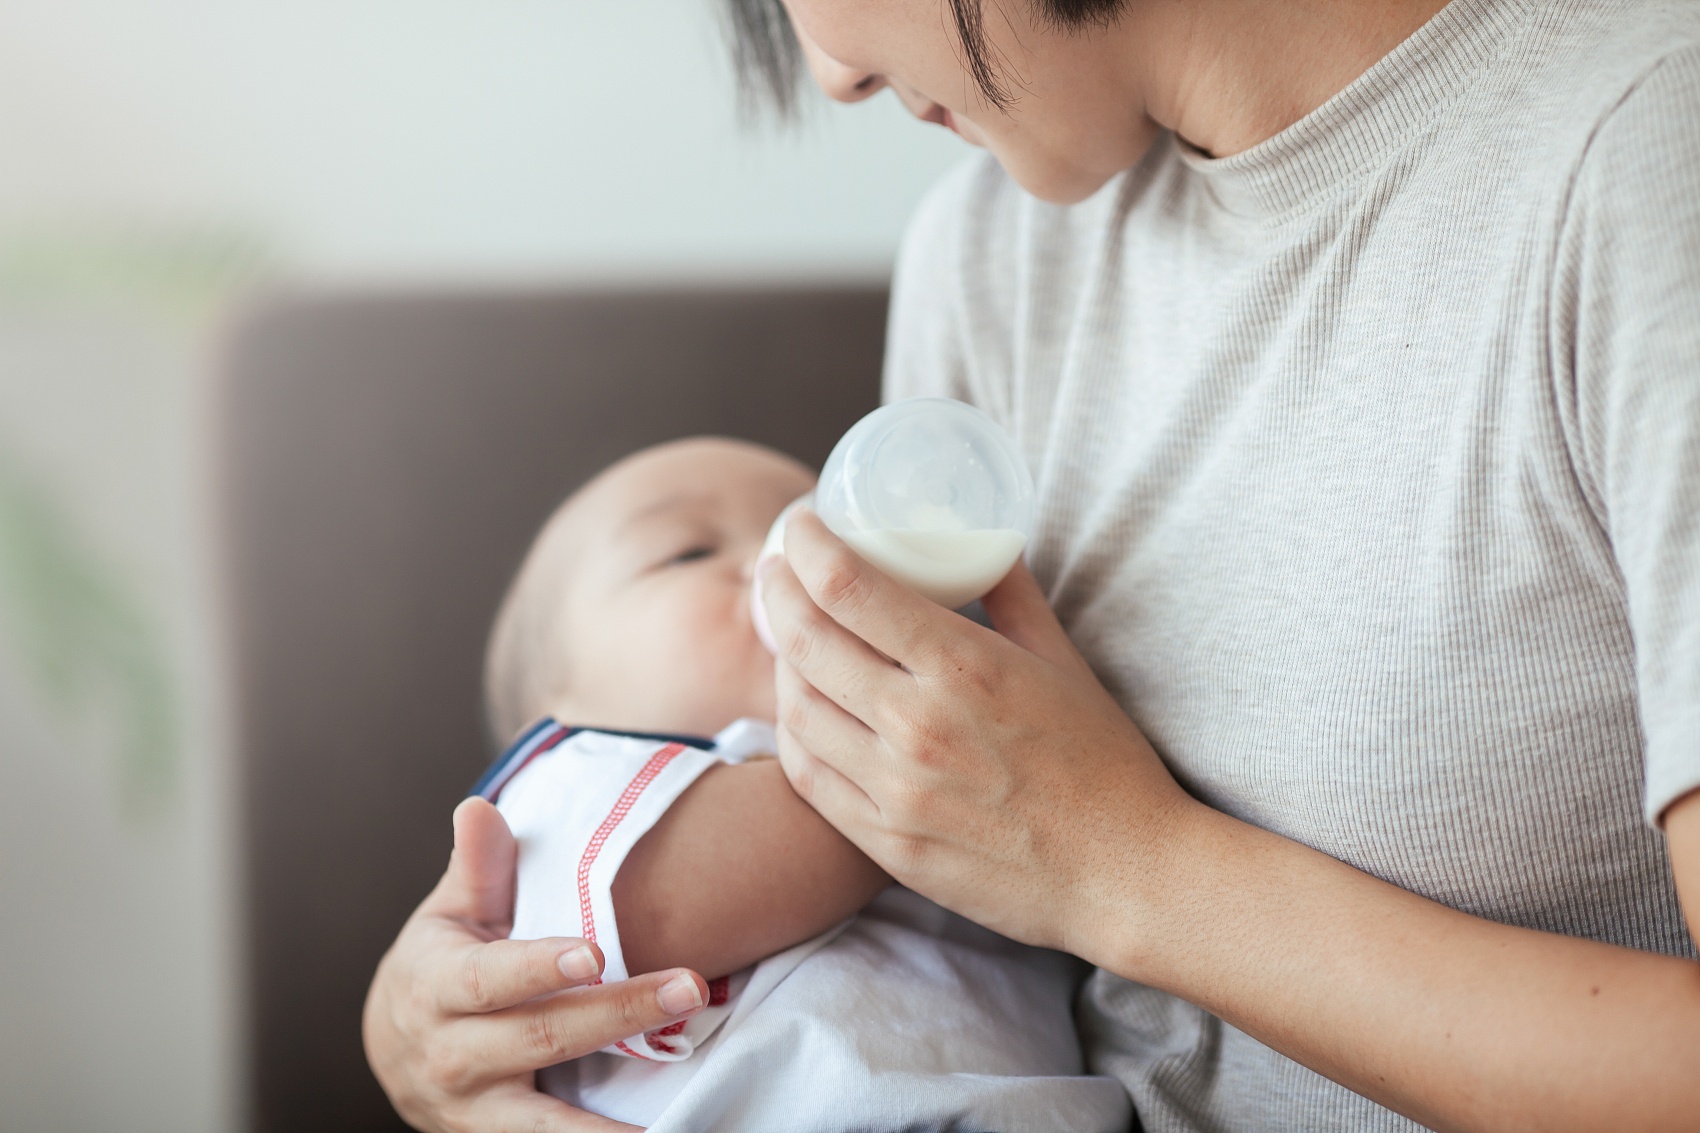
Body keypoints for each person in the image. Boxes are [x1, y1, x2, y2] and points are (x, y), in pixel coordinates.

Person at [363, 0, 1700, 1129]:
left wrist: (1126, 866)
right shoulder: (994, 257)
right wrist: (457, 1020)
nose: (833, 72)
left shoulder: (1641, 159)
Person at [467, 435, 1130, 1131]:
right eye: (690, 551)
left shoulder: (983, 761)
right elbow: (648, 917)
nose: (791, 557)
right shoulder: (566, 784)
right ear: (558, 705)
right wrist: (963, 778)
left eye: (820, 523)